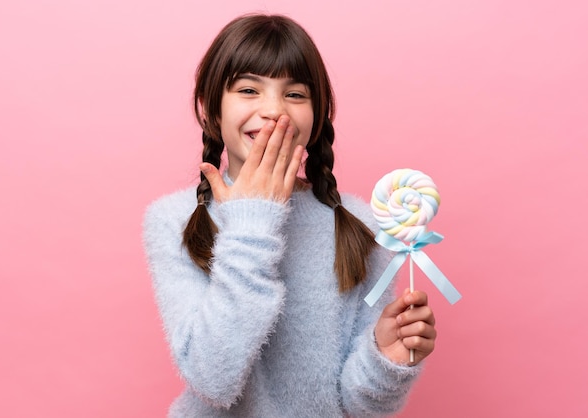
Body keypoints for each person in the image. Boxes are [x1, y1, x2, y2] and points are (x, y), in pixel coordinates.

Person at [143, 13, 437, 417]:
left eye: (295, 95)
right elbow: (213, 379)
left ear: (317, 117)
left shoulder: (356, 223)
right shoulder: (172, 219)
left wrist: (385, 359)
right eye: (249, 89)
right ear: (211, 111)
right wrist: (253, 220)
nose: (273, 110)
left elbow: (358, 406)